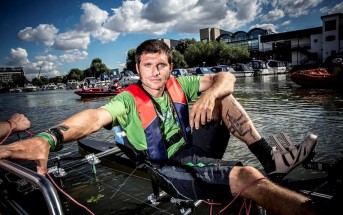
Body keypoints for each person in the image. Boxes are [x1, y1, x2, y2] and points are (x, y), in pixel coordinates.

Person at [0, 40, 320, 215]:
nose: (155, 72)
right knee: (248, 178)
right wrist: (49, 137)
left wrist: (212, 92)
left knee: (223, 98)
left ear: (170, 67)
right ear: (137, 69)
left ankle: (271, 160)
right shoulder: (127, 99)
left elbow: (227, 78)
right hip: (167, 167)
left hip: (191, 148)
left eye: (161, 65)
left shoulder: (180, 83)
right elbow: (94, 117)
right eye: (147, 65)